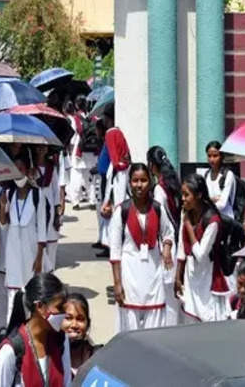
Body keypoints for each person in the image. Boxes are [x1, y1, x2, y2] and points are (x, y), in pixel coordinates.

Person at [109, 163, 174, 332]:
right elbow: (115, 251)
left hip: (154, 274)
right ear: (129, 183)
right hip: (130, 275)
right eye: (135, 180)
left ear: (150, 182)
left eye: (143, 180)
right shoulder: (121, 211)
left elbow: (168, 232)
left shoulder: (157, 208)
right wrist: (117, 283)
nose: (139, 185)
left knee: (155, 324)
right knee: (129, 325)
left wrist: (166, 247)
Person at [0, 273, 71, 387]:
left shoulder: (61, 339)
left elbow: (67, 382)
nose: (64, 313)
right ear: (40, 307)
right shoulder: (10, 352)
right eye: (59, 307)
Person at [0, 157, 49, 333]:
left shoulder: (38, 195)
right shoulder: (9, 195)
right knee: (13, 289)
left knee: (30, 288)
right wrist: (2, 207)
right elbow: (4, 224)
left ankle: (31, 326)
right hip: (13, 247)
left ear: (28, 171)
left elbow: (42, 227)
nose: (18, 173)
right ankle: (12, 328)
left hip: (31, 247)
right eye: (15, 169)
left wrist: (39, 257)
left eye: (21, 169)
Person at [176, 173, 230, 322]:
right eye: (182, 194)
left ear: (199, 195)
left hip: (207, 274)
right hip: (191, 274)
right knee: (190, 316)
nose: (183, 199)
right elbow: (182, 245)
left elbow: (201, 254)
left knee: (208, 317)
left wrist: (188, 225)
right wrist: (177, 276)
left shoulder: (213, 220)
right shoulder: (187, 213)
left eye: (186, 195)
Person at [146, 146, 183, 325]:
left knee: (168, 295)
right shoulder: (173, 185)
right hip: (176, 241)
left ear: (152, 165)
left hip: (167, 244)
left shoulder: (160, 190)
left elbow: (161, 221)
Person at [98, 110, 130, 256]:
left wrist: (120, 166)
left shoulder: (111, 133)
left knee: (112, 207)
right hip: (121, 173)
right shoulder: (119, 132)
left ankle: (112, 245)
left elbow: (115, 158)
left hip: (116, 174)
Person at [34, 147, 62, 272]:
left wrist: (57, 212)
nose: (41, 150)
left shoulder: (51, 167)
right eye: (39, 148)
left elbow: (56, 190)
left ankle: (51, 274)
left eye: (44, 148)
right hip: (36, 207)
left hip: (49, 208)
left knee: (51, 242)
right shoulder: (31, 166)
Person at [61, 292, 96, 377]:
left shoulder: (97, 357)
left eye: (80, 319)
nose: (74, 325)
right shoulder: (52, 360)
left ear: (88, 324)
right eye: (68, 318)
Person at [199, 141, 236, 219]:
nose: (212, 159)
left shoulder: (228, 175)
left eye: (215, 156)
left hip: (226, 220)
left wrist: (208, 201)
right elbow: (201, 199)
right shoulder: (206, 175)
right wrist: (213, 199)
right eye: (209, 156)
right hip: (210, 219)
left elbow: (222, 204)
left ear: (221, 156)